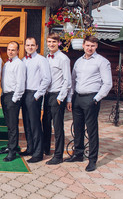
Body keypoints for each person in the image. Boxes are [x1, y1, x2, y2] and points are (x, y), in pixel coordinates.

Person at [65, 36, 112, 172]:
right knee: (77, 128)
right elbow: (73, 81)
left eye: (92, 45)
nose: (90, 48)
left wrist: (96, 99)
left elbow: (108, 83)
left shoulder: (102, 62)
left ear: (96, 46)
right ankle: (78, 154)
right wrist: (70, 98)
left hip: (91, 98)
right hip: (77, 98)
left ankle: (92, 160)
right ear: (83, 45)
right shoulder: (79, 61)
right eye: (87, 45)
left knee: (92, 130)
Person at [42, 33, 71, 165]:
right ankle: (46, 149)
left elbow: (67, 80)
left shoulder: (63, 59)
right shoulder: (46, 57)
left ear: (58, 43)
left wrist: (61, 97)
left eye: (54, 42)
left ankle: (58, 155)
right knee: (46, 123)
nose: (51, 44)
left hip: (58, 94)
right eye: (49, 42)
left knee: (58, 126)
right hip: (47, 94)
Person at [21, 37, 51, 163]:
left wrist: (37, 95)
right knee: (27, 123)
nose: (30, 47)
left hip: (34, 94)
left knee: (35, 124)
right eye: (28, 45)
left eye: (32, 45)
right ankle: (30, 148)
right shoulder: (23, 60)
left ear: (37, 46)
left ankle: (38, 153)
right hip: (24, 93)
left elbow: (47, 79)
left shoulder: (41, 60)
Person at [1, 41, 26, 162]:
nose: (10, 52)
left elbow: (20, 83)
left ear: (18, 51)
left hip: (13, 97)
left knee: (13, 125)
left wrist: (15, 98)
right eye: (9, 49)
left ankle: (12, 151)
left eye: (13, 50)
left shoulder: (19, 64)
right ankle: (10, 146)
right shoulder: (7, 63)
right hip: (5, 95)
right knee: (8, 124)